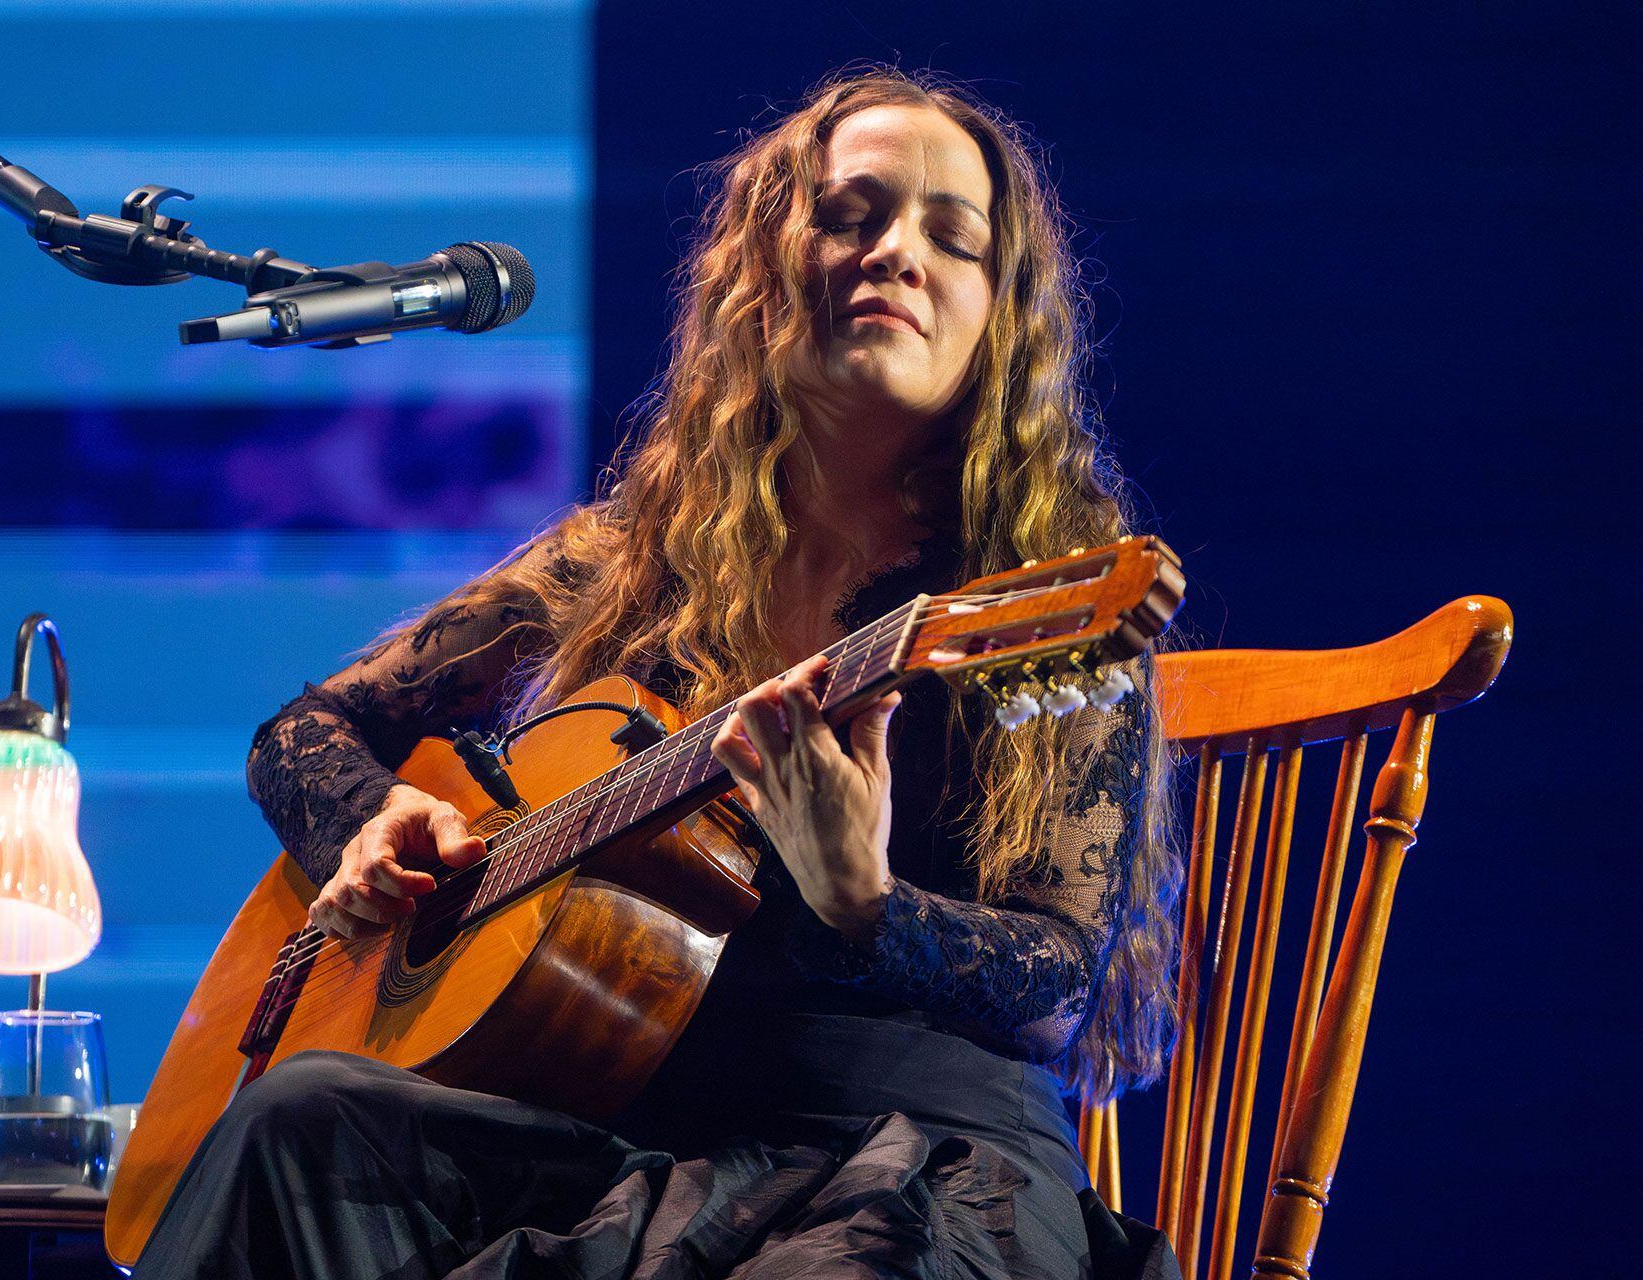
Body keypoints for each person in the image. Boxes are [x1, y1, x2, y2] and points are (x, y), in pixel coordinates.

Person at [135, 67, 1182, 1280]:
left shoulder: (1038, 595)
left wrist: (868, 911)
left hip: (922, 1163)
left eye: (952, 238)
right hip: (637, 1147)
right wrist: (373, 821)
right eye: (851, 214)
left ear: (1001, 313)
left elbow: (1059, 985)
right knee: (298, 1118)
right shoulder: (630, 559)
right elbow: (303, 729)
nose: (896, 252)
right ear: (764, 267)